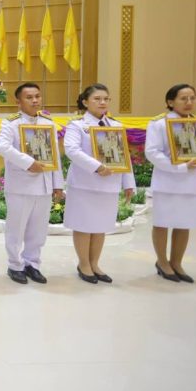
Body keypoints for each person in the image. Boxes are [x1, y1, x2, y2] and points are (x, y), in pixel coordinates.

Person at [63, 83, 136, 284]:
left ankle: (95, 264)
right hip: (84, 184)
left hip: (109, 184)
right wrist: (97, 167)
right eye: (97, 99)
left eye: (106, 99)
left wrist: (128, 183)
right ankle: (83, 264)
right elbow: (71, 150)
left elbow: (124, 155)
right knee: (84, 225)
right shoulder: (77, 125)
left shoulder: (116, 126)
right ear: (85, 102)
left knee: (100, 226)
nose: (102, 102)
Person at [0, 82, 65, 284]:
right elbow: (2, 147)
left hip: (43, 185)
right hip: (21, 185)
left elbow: (55, 155)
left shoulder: (48, 123)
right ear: (18, 101)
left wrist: (57, 184)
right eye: (29, 97)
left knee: (38, 229)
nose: (35, 100)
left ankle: (32, 264)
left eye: (37, 96)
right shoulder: (11, 123)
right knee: (16, 229)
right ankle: (15, 265)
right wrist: (28, 163)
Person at [145, 84, 196, 283]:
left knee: (184, 223)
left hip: (192, 181)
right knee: (162, 222)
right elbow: (152, 152)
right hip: (168, 182)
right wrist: (179, 167)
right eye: (183, 98)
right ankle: (162, 262)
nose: (189, 102)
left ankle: (177, 262)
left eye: (192, 98)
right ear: (170, 102)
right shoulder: (159, 124)